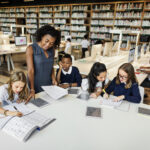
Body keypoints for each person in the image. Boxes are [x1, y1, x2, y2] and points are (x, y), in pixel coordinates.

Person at [26, 24, 61, 102]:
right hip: (35, 83)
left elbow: (50, 66)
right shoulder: (31, 49)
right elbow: (30, 71)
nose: (48, 45)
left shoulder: (52, 50)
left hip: (48, 82)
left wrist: (53, 79)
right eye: (46, 41)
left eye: (52, 43)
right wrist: (32, 89)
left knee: (49, 103)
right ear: (42, 36)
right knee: (38, 104)